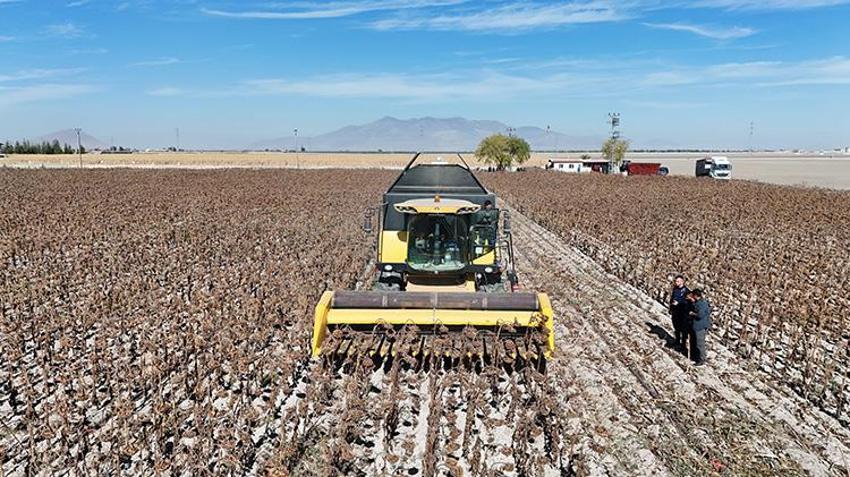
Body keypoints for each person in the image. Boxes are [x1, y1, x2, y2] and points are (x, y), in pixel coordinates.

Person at [687, 288, 712, 366]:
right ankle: (695, 357)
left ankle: (701, 359)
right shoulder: (698, 302)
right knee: (694, 342)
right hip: (695, 326)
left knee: (699, 344)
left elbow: (700, 315)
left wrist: (692, 313)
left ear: (695, 295)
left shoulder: (702, 304)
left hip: (700, 327)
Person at [669, 275, 690, 352]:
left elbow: (687, 302)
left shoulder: (687, 291)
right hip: (675, 311)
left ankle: (683, 345)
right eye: (675, 281)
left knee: (683, 330)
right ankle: (677, 341)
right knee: (676, 328)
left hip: (682, 313)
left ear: (682, 282)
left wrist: (679, 303)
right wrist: (671, 307)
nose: (676, 283)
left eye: (678, 281)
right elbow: (672, 298)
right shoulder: (675, 289)